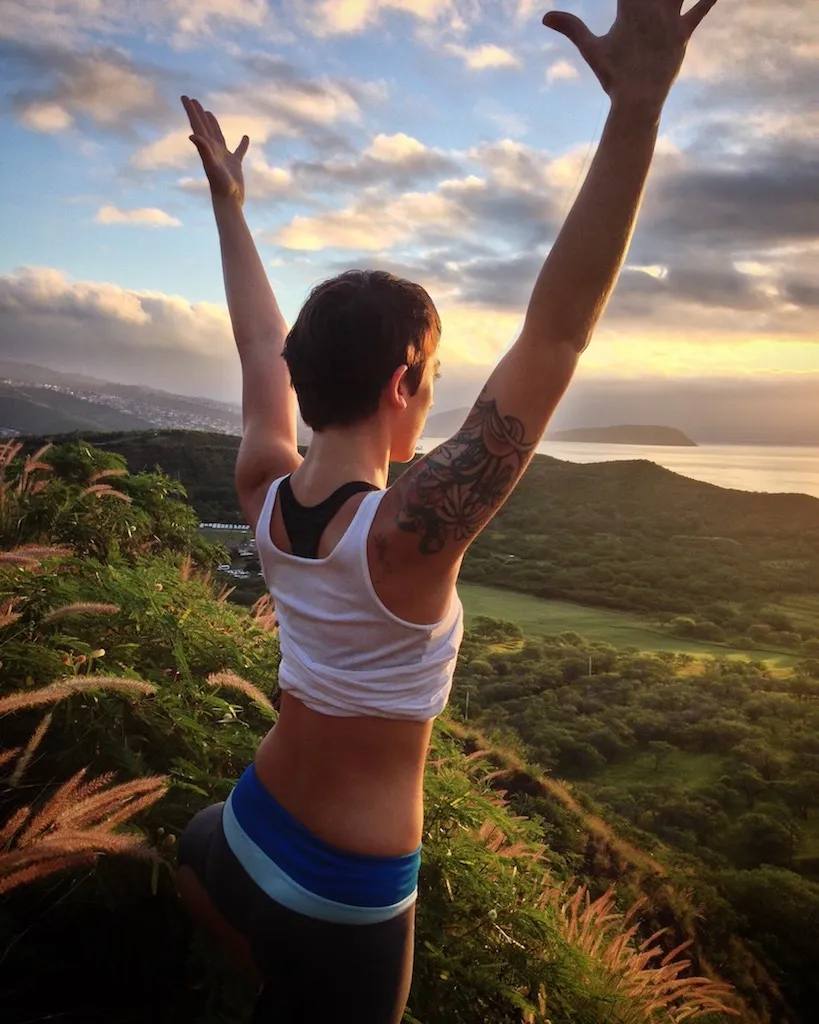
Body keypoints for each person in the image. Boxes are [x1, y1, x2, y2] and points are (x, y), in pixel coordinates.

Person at [176, 1, 719, 1020]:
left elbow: (258, 349)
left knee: (197, 858)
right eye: (432, 375)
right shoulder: (406, 537)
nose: (437, 396)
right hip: (347, 902)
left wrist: (231, 206)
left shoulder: (261, 490)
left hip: (243, 834)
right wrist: (635, 112)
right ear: (398, 383)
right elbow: (557, 334)